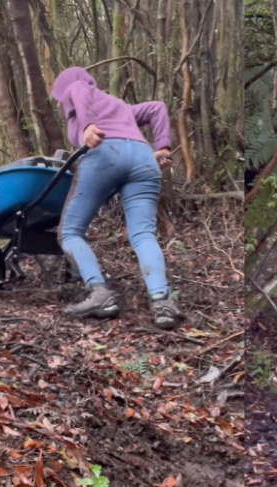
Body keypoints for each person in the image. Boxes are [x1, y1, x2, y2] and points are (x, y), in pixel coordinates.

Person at [49, 66, 184, 329]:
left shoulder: (78, 90)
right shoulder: (119, 105)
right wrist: (163, 148)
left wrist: (87, 125)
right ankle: (162, 302)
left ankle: (99, 293)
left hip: (104, 154)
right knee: (143, 234)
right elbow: (156, 107)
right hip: (144, 159)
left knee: (70, 232)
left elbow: (78, 89)